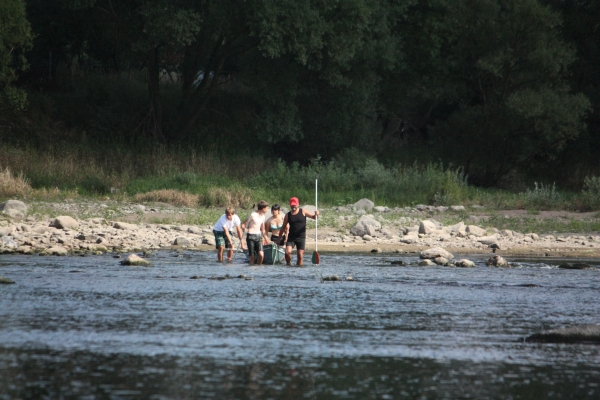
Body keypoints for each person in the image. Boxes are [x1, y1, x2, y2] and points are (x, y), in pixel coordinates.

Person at [278, 197, 319, 266]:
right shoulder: (288, 215)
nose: (293, 206)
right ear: (290, 205)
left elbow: (314, 217)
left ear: (298, 204)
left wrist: (317, 214)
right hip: (291, 237)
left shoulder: (303, 211)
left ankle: (299, 268)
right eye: (292, 205)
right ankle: (288, 264)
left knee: (300, 256)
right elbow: (283, 228)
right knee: (287, 253)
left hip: (301, 237)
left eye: (295, 205)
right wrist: (279, 239)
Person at [242, 200, 270, 265]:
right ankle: (251, 269)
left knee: (261, 255)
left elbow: (263, 230)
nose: (267, 210)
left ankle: (258, 268)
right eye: (267, 208)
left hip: (258, 237)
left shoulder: (263, 216)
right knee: (252, 256)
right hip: (251, 236)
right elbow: (243, 225)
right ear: (263, 208)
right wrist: (245, 229)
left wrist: (267, 240)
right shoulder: (253, 215)